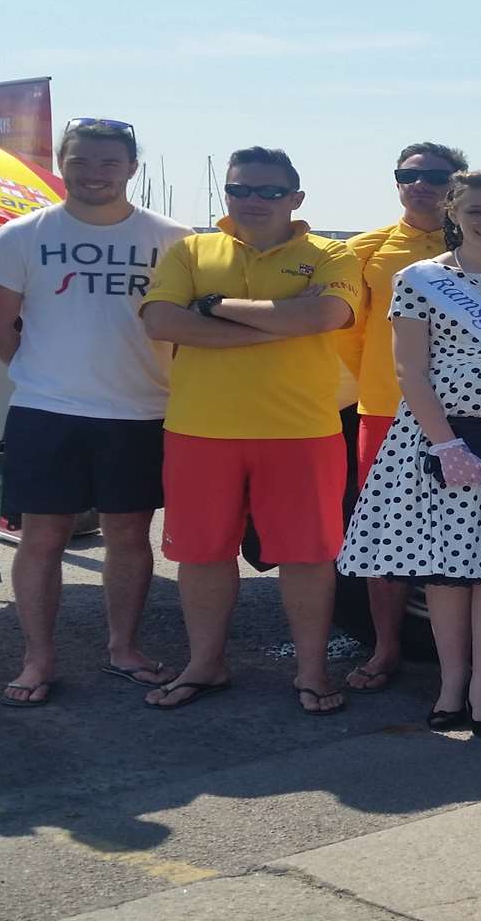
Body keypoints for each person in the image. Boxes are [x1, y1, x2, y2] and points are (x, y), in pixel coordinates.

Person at [0, 117, 190, 707]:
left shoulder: (171, 237)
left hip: (141, 410)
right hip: (47, 411)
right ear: (62, 164)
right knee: (42, 535)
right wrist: (44, 372)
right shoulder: (20, 235)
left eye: (108, 163)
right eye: (81, 161)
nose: (94, 173)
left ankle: (124, 648)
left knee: (127, 533)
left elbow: (189, 323)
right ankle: (38, 658)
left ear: (131, 169)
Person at [338, 170, 481, 737]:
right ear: (454, 213)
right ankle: (451, 684)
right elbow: (410, 369)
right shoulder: (419, 279)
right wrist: (447, 444)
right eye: (476, 210)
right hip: (438, 438)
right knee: (443, 571)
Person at [137, 147, 361, 715]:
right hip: (199, 430)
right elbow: (161, 321)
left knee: (308, 557)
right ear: (227, 194)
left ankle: (311, 673)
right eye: (240, 190)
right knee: (202, 554)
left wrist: (212, 308)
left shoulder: (330, 252)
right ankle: (204, 666)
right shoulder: (190, 249)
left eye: (268, 192)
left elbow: (324, 318)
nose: (252, 201)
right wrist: (279, 324)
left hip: (302, 431)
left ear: (296, 199)